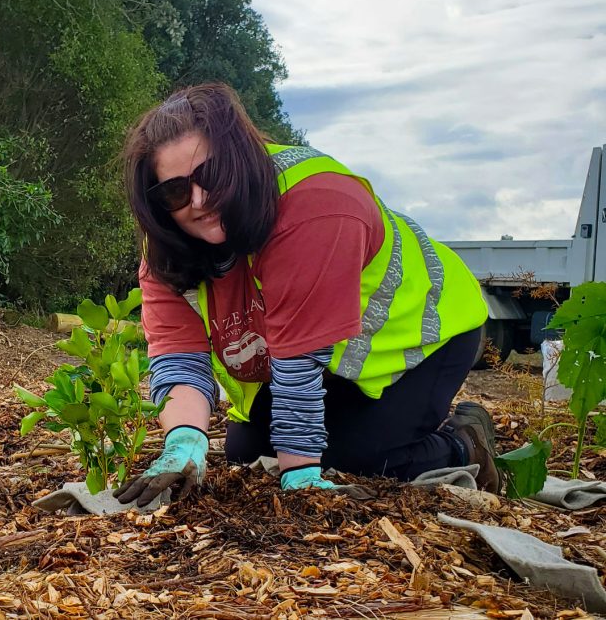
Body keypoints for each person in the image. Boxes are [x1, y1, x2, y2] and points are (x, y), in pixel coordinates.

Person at [114, 83, 497, 508]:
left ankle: (465, 442)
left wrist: (302, 479)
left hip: (426, 335)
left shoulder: (315, 204)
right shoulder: (168, 248)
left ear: (241, 160)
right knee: (248, 452)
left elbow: (297, 360)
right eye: (176, 191)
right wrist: (184, 442)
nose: (199, 200)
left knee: (351, 457)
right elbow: (179, 355)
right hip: (336, 359)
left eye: (211, 174)